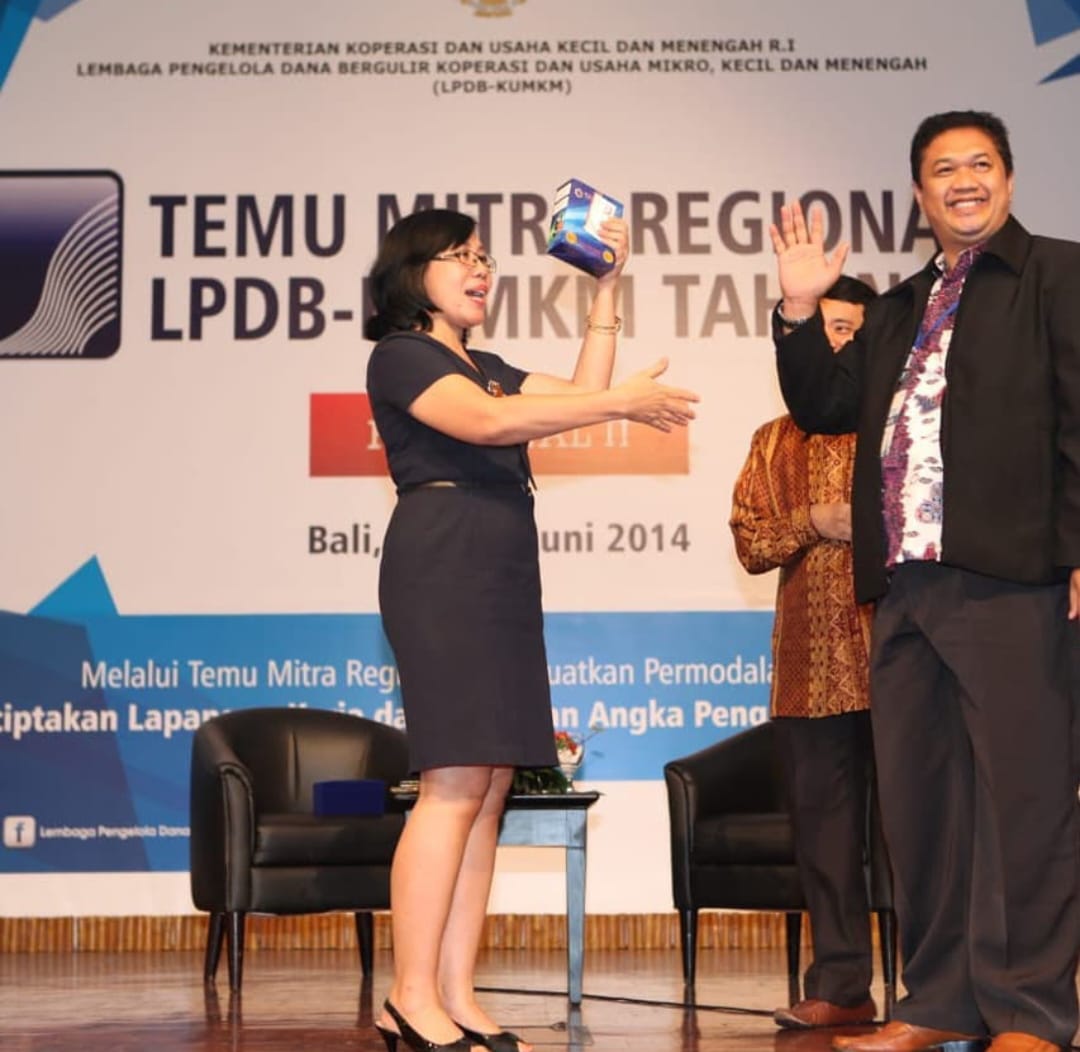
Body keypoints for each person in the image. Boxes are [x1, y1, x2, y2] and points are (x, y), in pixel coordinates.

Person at [769, 110, 1080, 1052]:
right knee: (923, 805)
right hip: (904, 586)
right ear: (919, 194)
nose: (964, 181)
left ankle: (1032, 1012)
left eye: (981, 164)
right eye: (944, 169)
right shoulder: (899, 305)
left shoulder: (1060, 275)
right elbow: (826, 405)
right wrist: (798, 312)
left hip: (1013, 577)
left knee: (1025, 800)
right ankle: (939, 1002)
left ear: (1009, 180)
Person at [363, 208, 698, 1052]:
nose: (481, 269)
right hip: (442, 566)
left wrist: (607, 290)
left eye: (485, 257)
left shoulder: (487, 367)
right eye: (459, 256)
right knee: (450, 783)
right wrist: (620, 401)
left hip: (501, 570)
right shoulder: (402, 356)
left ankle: (454, 991)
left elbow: (578, 397)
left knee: (487, 789)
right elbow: (489, 424)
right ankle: (407, 994)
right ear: (413, 273)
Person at [729, 275, 880, 1031]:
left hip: (902, 664)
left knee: (924, 837)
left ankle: (940, 992)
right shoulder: (772, 440)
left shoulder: (899, 428)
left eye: (850, 330)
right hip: (807, 672)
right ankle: (843, 987)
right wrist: (812, 519)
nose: (838, 344)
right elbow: (751, 542)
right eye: (826, 330)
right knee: (824, 839)